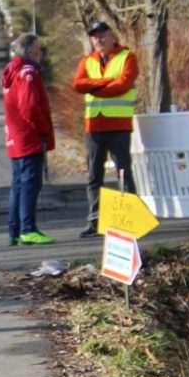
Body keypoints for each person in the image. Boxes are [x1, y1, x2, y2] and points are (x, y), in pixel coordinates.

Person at [71, 19, 137, 236]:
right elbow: (78, 84)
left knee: (123, 171)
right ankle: (95, 220)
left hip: (118, 124)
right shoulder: (87, 61)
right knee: (94, 174)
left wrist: (95, 87)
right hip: (94, 124)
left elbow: (123, 85)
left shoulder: (127, 57)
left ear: (112, 36)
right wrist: (106, 82)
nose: (98, 39)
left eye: (102, 35)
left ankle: (129, 219)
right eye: (94, 36)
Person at [2, 31, 53, 247]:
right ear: (31, 51)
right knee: (30, 184)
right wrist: (43, 129)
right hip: (28, 136)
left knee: (18, 185)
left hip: (15, 136)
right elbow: (29, 106)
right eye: (38, 50)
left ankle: (15, 230)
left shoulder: (12, 71)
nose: (40, 54)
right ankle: (28, 229)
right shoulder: (28, 73)